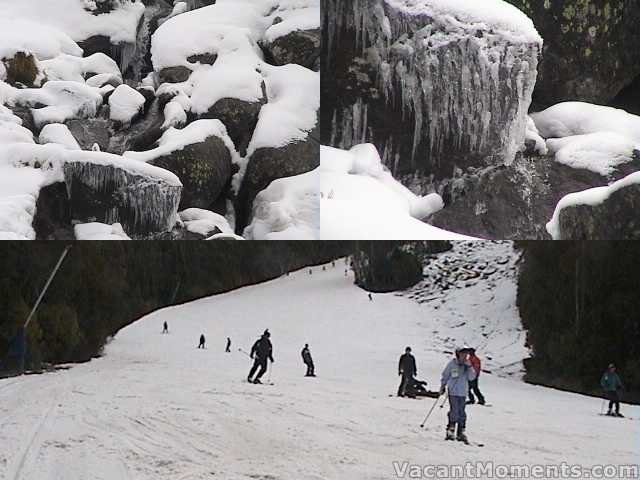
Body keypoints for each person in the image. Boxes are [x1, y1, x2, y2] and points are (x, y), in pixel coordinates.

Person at [440, 346, 477, 442]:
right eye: (463, 354)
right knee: (454, 410)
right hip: (453, 391)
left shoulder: (467, 366)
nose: (465, 356)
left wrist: (469, 367)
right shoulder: (452, 364)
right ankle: (451, 429)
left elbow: (472, 377)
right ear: (458, 354)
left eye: (466, 354)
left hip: (463, 392)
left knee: (462, 412)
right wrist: (443, 386)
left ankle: (461, 431)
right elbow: (445, 375)